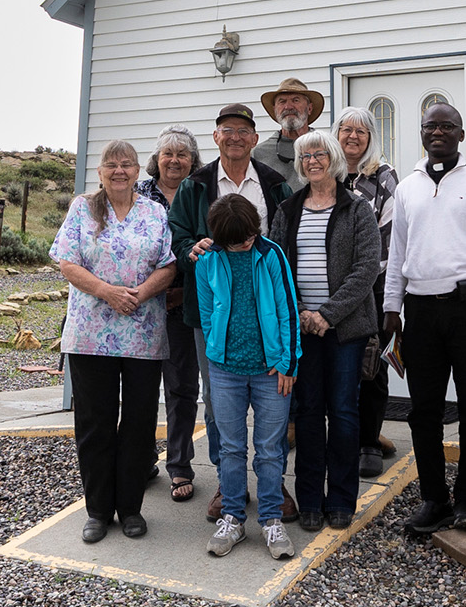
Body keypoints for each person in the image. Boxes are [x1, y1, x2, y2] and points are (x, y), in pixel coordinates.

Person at [381, 100, 466, 537]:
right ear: (422, 134)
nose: (437, 132)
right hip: (421, 310)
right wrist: (391, 306)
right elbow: (398, 251)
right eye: (430, 126)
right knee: (424, 410)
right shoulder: (408, 188)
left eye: (446, 126)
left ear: (461, 133)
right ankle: (434, 498)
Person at [165, 102, 294, 520]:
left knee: (275, 403)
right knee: (219, 403)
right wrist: (191, 250)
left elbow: (284, 248)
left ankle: (275, 488)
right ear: (215, 137)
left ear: (255, 139)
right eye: (227, 130)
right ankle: (227, 485)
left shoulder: (275, 184)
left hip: (268, 318)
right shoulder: (195, 186)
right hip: (214, 318)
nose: (235, 136)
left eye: (243, 130)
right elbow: (177, 238)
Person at [51, 139, 177, 545]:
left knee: (139, 422)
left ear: (139, 171)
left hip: (142, 331)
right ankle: (98, 510)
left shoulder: (155, 212)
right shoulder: (81, 209)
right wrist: (107, 291)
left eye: (127, 164)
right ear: (100, 172)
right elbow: (67, 262)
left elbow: (169, 265)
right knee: (95, 422)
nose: (119, 171)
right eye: (111, 165)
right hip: (90, 333)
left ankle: (132, 508)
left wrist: (138, 294)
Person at [271, 128, 381, 531]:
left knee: (345, 413)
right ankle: (310, 500)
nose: (311, 161)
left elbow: (367, 267)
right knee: (309, 413)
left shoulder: (357, 209)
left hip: (345, 330)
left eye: (318, 154)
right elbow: (277, 264)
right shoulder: (288, 209)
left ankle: (341, 500)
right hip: (302, 328)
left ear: (332, 158)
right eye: (304, 156)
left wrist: (328, 313)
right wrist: (300, 312)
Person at [197, 194, 301, 561]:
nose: (246, 244)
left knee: (271, 450)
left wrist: (289, 361)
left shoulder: (271, 254)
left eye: (250, 236)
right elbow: (207, 313)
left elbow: (288, 308)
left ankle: (272, 519)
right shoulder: (207, 261)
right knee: (230, 447)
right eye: (238, 240)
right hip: (224, 370)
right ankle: (233, 517)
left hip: (270, 370)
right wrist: (215, 351)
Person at [138, 126, 203, 499]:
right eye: (168, 154)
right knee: (142, 387)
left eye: (183, 154)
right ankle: (142, 459)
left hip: (184, 305)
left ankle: (179, 465)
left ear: (193, 161)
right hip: (143, 306)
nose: (175, 160)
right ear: (156, 159)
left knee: (181, 388)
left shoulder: (199, 193)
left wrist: (179, 292)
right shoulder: (138, 194)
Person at [335, 106, 399, 479]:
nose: (353, 137)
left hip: (373, 287)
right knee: (335, 366)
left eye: (361, 131)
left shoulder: (384, 177)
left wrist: (361, 278)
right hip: (327, 292)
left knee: (371, 366)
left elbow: (388, 236)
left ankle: (369, 442)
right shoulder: (327, 172)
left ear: (371, 137)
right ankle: (342, 438)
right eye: (346, 130)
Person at [252, 77, 324, 193]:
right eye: (282, 101)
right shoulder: (259, 153)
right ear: (275, 110)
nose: (288, 107)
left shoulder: (326, 147)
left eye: (296, 100)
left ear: (309, 108)